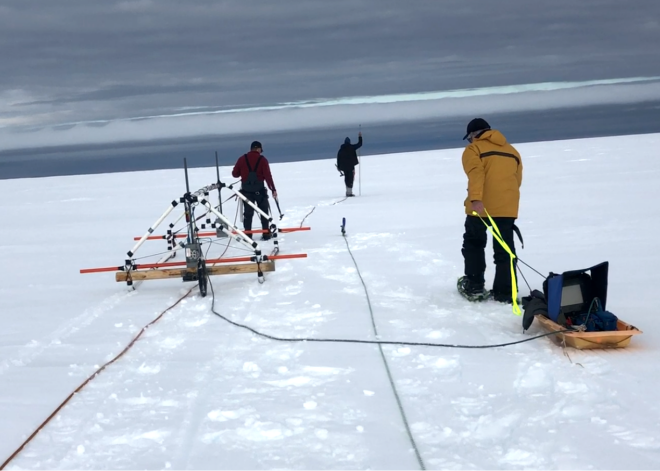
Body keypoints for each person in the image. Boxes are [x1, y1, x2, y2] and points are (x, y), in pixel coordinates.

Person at [459, 118, 523, 303]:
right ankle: (505, 292)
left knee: (474, 244)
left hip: (480, 208)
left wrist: (476, 199)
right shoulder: (512, 151)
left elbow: (476, 174)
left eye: (469, 138)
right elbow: (516, 180)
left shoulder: (474, 149)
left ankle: (474, 286)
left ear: (473, 135)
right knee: (505, 250)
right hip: (507, 208)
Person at [232, 141, 278, 240]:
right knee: (264, 212)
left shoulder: (242, 159)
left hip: (246, 192)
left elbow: (235, 174)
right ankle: (266, 233)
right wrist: (273, 189)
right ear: (258, 149)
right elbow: (268, 176)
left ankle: (248, 235)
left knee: (248, 214)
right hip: (260, 192)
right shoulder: (263, 160)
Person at [336, 132, 362, 197]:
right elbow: (360, 144)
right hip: (351, 166)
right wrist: (360, 137)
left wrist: (339, 167)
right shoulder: (351, 147)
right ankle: (349, 192)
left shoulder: (341, 150)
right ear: (349, 142)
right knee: (351, 178)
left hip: (344, 167)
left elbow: (338, 158)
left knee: (347, 178)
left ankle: (348, 191)